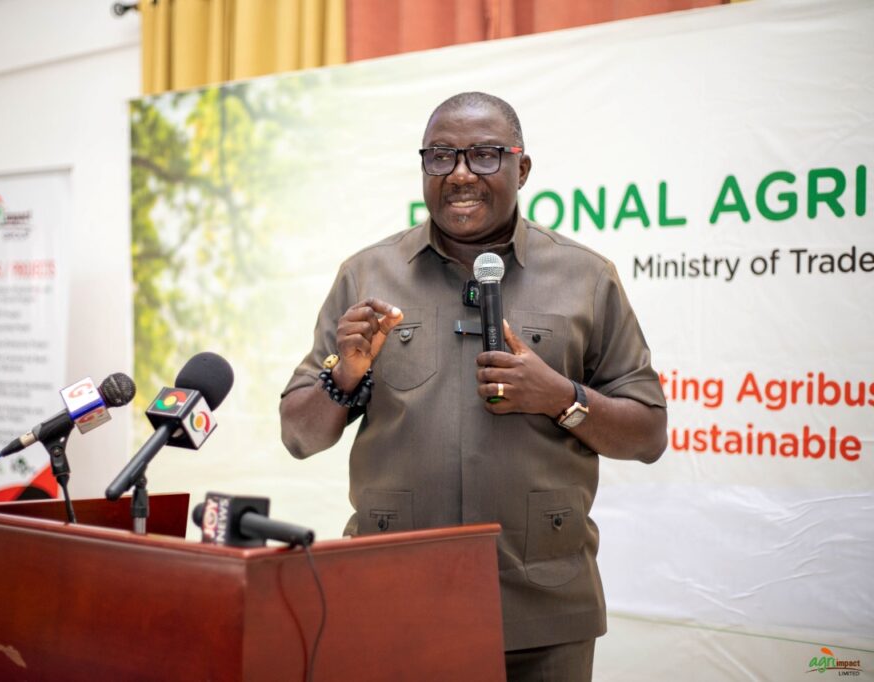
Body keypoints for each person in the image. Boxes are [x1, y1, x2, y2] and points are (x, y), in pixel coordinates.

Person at [279, 92, 667, 681]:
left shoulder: (586, 277)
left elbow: (648, 434)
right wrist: (345, 374)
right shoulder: (367, 275)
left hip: (543, 608)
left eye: (485, 155)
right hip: (394, 598)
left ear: (522, 168)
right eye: (441, 156)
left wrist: (560, 398)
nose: (460, 174)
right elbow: (299, 435)